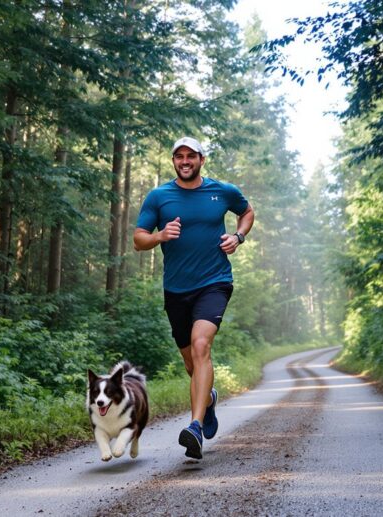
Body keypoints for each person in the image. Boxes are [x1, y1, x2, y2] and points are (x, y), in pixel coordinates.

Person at [133, 136, 254, 459]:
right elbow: (138, 239)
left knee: (202, 346)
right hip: (176, 290)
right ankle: (209, 398)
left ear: (201, 159)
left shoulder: (222, 191)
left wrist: (238, 237)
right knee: (191, 363)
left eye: (191, 156)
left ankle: (196, 427)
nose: (185, 161)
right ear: (174, 161)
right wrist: (159, 235)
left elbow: (247, 212)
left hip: (215, 282)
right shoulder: (160, 196)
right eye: (179, 157)